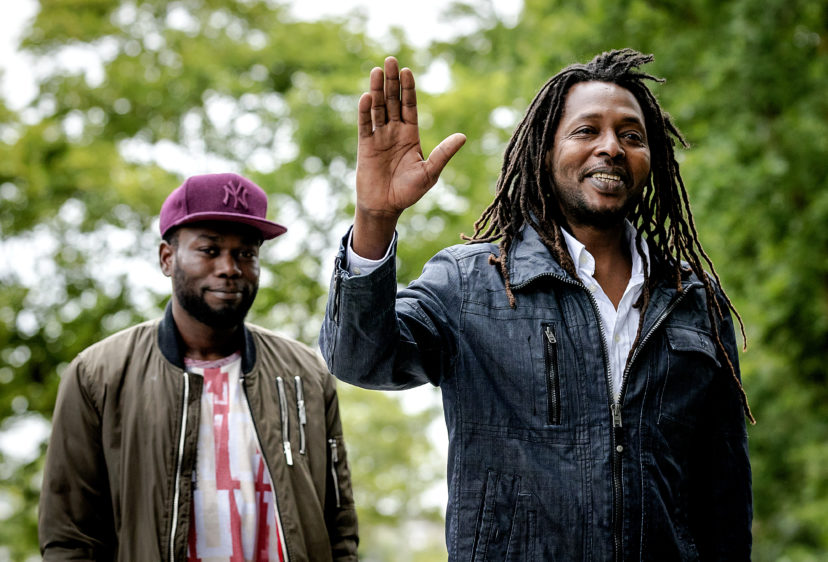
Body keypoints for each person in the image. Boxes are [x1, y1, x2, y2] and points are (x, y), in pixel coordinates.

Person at [320, 50, 753, 560]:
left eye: (632, 136)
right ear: (546, 152)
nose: (611, 147)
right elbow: (359, 358)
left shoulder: (694, 301)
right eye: (586, 131)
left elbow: (725, 500)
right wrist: (374, 218)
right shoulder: (470, 283)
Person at [39, 173, 358, 561]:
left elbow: (340, 527)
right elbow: (70, 538)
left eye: (246, 254)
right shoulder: (98, 375)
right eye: (209, 250)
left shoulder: (305, 374)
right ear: (167, 258)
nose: (229, 268)